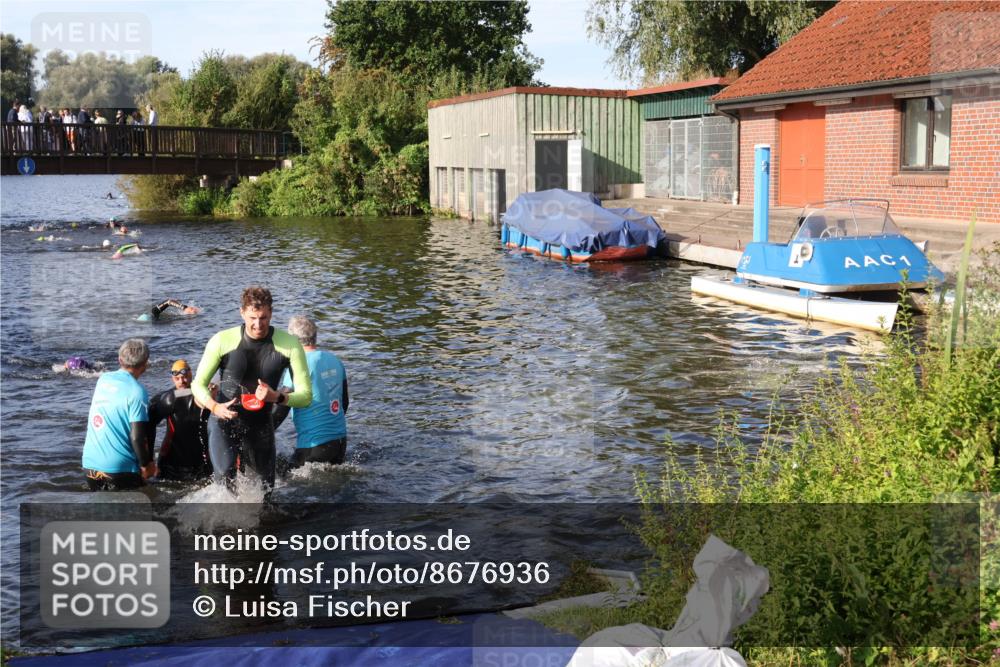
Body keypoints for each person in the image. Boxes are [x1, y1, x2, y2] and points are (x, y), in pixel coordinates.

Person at [192, 286, 311, 490]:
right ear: (242, 313)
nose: (258, 325)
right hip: (224, 420)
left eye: (263, 317)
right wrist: (214, 407)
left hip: (260, 424)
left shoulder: (290, 345)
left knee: (265, 490)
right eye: (252, 318)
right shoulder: (221, 340)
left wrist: (277, 397)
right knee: (225, 482)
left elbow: (306, 396)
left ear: (271, 313)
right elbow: (198, 384)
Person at [274, 316, 349, 466]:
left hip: (313, 445)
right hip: (340, 442)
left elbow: (281, 410)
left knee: (280, 475)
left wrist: (261, 433)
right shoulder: (335, 360)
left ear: (293, 340)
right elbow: (344, 404)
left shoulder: (299, 364)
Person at [81, 338, 155, 490]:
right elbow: (137, 437)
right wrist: (146, 465)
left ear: (119, 360)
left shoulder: (103, 379)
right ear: (145, 364)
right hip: (120, 470)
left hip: (90, 466)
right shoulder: (138, 392)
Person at [148, 360, 212, 481]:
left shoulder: (207, 395)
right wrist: (148, 460)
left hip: (200, 461)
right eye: (177, 378)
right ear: (173, 379)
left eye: (184, 377)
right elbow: (148, 426)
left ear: (191, 374)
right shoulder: (168, 399)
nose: (181, 381)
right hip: (171, 462)